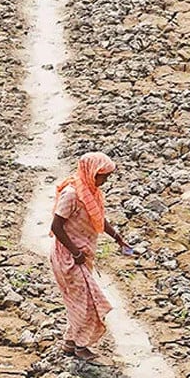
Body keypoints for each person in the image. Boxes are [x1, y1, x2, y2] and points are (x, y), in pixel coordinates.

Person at [49, 151, 132, 360]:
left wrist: (118, 238)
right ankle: (80, 346)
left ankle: (70, 342)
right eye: (102, 176)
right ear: (91, 172)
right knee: (86, 302)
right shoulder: (72, 194)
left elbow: (99, 219)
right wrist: (74, 251)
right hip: (68, 257)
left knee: (78, 300)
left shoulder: (90, 192)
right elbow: (56, 226)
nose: (104, 181)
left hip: (81, 256)